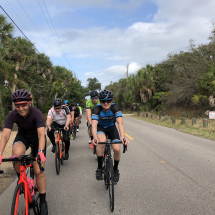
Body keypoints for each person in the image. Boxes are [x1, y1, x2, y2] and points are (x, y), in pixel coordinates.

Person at [0, 89, 48, 214]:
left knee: (38, 170)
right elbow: (5, 136)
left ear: (29, 103)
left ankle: (43, 200)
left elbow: (41, 134)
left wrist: (41, 152)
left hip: (37, 138)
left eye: (24, 105)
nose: (21, 108)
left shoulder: (36, 112)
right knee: (16, 156)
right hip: (23, 137)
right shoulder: (12, 115)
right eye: (17, 105)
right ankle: (22, 180)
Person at [91, 90, 129, 183]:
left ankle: (115, 169)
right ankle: (100, 168)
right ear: (100, 101)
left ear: (111, 101)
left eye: (108, 101)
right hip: (100, 128)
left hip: (111, 127)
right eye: (103, 101)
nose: (106, 103)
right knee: (101, 143)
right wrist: (95, 138)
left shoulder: (115, 107)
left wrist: (123, 137)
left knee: (116, 149)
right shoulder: (97, 108)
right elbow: (94, 125)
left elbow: (120, 123)